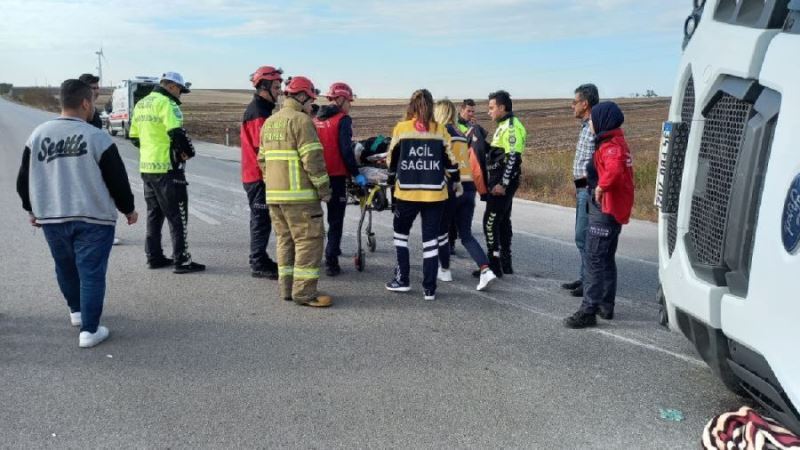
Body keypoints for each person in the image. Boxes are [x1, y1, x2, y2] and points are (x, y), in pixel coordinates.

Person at [16, 79, 138, 348]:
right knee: (91, 273)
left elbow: (23, 179)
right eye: (92, 102)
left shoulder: (37, 135)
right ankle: (90, 330)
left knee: (65, 267)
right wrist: (128, 209)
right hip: (93, 218)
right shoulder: (97, 137)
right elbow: (117, 180)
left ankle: (76, 313)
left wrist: (31, 209)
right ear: (85, 103)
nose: (93, 106)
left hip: (52, 217)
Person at [259, 76, 332, 307]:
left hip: (275, 196)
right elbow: (313, 159)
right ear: (301, 96)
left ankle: (287, 290)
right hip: (300, 197)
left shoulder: (270, 122)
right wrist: (324, 189)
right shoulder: (301, 121)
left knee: (285, 241)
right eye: (310, 99)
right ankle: (304, 293)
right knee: (309, 242)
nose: (312, 104)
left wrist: (273, 185)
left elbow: (261, 160)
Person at [564, 101, 634, 329]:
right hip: (609, 209)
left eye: (593, 119)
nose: (590, 123)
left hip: (604, 210)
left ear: (603, 121)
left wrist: (601, 187)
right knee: (605, 258)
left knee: (595, 258)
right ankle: (606, 304)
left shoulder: (611, 145)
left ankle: (588, 310)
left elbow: (613, 171)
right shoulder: (611, 141)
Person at [386, 89, 460, 301]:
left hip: (406, 194)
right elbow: (451, 162)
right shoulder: (440, 131)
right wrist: (454, 181)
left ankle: (402, 279)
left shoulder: (402, 129)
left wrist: (391, 180)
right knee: (430, 241)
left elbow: (392, 160)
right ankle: (429, 289)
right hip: (435, 196)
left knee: (401, 236)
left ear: (411, 106)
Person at [129, 71, 205, 274]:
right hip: (168, 169)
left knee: (154, 215)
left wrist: (151, 149)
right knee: (178, 216)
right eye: (180, 90)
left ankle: (153, 257)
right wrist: (186, 153)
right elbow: (177, 133)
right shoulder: (168, 104)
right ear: (171, 86)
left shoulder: (141, 104)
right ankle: (182, 260)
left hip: (147, 167)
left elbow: (134, 137)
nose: (180, 95)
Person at [434, 99, 496, 291]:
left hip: (452, 188)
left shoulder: (441, 134)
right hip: (469, 188)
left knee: (442, 232)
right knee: (466, 235)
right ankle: (486, 269)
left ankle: (444, 270)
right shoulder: (461, 134)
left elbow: (440, 165)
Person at [314, 82, 366, 276]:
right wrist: (356, 173)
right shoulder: (343, 120)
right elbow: (346, 150)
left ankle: (315, 255)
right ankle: (331, 261)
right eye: (349, 102)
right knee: (335, 220)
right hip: (335, 176)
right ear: (341, 99)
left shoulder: (315, 118)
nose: (350, 106)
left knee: (314, 218)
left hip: (315, 175)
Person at [240, 66, 283, 279]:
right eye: (276, 87)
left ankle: (261, 258)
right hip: (257, 176)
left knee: (263, 219)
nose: (279, 91)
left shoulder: (263, 109)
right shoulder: (258, 112)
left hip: (257, 174)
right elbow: (263, 146)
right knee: (260, 219)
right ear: (264, 87)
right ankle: (257, 262)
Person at [561, 84, 599, 297]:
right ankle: (585, 278)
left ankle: (590, 283)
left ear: (585, 104)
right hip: (582, 189)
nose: (571, 105)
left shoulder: (594, 125)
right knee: (582, 237)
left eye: (574, 102)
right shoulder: (586, 125)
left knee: (583, 237)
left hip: (588, 190)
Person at [484, 90, 526, 277]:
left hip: (501, 185)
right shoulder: (503, 125)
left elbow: (513, 158)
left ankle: (493, 266)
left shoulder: (511, 127)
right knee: (502, 222)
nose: (489, 112)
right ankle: (504, 264)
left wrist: (503, 184)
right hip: (498, 181)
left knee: (490, 222)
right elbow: (498, 153)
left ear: (502, 107)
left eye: (492, 108)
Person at [79, 72, 123, 246]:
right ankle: (96, 234)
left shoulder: (92, 109)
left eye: (98, 87)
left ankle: (102, 232)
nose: (97, 91)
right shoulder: (83, 110)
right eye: (93, 88)